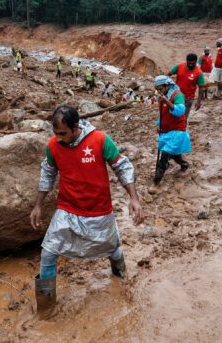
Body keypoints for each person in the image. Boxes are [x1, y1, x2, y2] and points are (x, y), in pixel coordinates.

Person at [30, 105, 144, 318]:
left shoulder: (100, 140)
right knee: (48, 252)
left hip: (99, 211)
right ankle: (45, 310)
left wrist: (134, 198)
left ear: (76, 126)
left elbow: (122, 167)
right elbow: (47, 174)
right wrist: (38, 205)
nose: (59, 138)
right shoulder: (54, 146)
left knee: (112, 248)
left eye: (63, 133)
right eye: (55, 134)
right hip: (67, 209)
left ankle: (121, 278)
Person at [153, 75, 191, 186]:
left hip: (177, 131)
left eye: (160, 89)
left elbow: (180, 112)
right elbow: (162, 113)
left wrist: (167, 102)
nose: (159, 92)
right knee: (174, 155)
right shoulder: (162, 96)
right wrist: (158, 125)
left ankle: (156, 181)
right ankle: (184, 164)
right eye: (157, 90)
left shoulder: (177, 95)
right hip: (166, 130)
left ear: (167, 85)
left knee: (165, 154)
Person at [167, 53, 206, 118]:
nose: (190, 64)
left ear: (196, 62)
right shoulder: (180, 66)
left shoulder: (198, 72)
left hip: (188, 98)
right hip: (176, 96)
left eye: (192, 63)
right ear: (186, 61)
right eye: (189, 63)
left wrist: (198, 102)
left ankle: (183, 128)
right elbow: (168, 74)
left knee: (183, 117)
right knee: (173, 115)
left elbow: (201, 87)